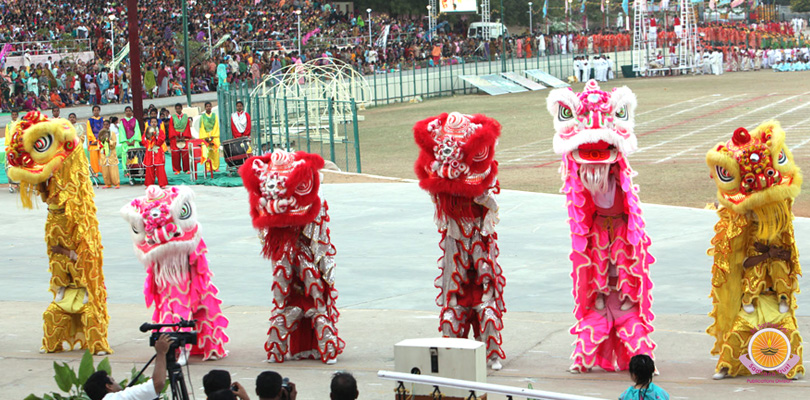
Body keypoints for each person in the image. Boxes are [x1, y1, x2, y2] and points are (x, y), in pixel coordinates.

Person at [83, 334, 172, 400]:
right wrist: (161, 353)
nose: (117, 383)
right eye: (113, 381)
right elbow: (157, 384)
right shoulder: (117, 398)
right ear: (109, 386)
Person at [143, 117, 168, 188]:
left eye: (155, 122)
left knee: (160, 168)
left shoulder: (160, 131)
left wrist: (156, 137)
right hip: (150, 152)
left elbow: (162, 139)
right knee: (149, 168)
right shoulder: (146, 131)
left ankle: (162, 184)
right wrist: (148, 142)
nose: (153, 123)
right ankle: (149, 184)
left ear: (157, 123)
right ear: (150, 123)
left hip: (158, 151)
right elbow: (143, 140)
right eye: (152, 122)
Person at [167, 103, 192, 174]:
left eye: (179, 108)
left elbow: (187, 127)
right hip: (175, 138)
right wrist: (176, 136)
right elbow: (171, 127)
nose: (178, 110)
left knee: (185, 153)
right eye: (177, 108)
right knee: (175, 153)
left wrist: (184, 136)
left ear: (181, 108)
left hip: (184, 138)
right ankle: (176, 169)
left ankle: (186, 169)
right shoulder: (173, 117)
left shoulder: (185, 116)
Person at [118, 106, 142, 172]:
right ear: (125, 112)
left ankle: (136, 168)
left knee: (136, 151)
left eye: (129, 111)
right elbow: (121, 132)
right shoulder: (122, 121)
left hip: (134, 140)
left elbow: (137, 131)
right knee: (125, 153)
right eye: (127, 111)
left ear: (132, 112)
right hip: (126, 141)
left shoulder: (135, 120)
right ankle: (126, 170)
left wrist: (134, 140)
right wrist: (126, 141)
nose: (128, 112)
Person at [199, 101, 221, 171]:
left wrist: (213, 136)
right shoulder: (202, 117)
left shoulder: (215, 116)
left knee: (215, 152)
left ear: (211, 107)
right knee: (207, 152)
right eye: (207, 106)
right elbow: (201, 127)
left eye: (209, 106)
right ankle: (208, 167)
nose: (208, 108)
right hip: (205, 136)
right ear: (205, 108)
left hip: (214, 136)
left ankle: (215, 167)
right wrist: (205, 137)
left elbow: (216, 126)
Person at [98, 120, 120, 188]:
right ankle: (107, 183)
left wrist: (109, 141)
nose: (105, 126)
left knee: (113, 169)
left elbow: (114, 143)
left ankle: (116, 183)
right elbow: (99, 143)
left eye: (107, 124)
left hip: (111, 153)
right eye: (104, 124)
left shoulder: (112, 133)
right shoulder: (101, 133)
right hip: (104, 154)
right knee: (105, 170)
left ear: (109, 125)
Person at [86, 106, 104, 175]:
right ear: (93, 111)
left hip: (101, 140)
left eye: (97, 110)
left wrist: (100, 138)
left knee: (102, 156)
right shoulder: (89, 120)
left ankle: (102, 170)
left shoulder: (103, 119)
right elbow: (89, 131)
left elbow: (104, 129)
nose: (96, 111)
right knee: (94, 158)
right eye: (95, 110)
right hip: (93, 141)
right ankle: (95, 171)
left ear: (99, 111)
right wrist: (94, 139)